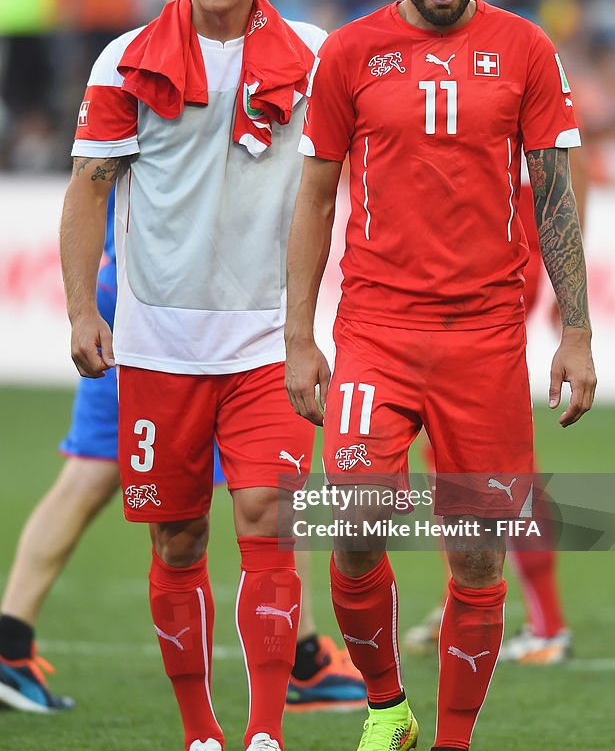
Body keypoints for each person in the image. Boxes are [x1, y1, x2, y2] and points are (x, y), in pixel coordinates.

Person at [285, 0, 596, 751]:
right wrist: (298, 335)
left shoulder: (527, 49)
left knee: (476, 556)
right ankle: (386, 709)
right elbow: (314, 198)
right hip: (375, 330)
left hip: (487, 340)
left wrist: (575, 331)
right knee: (354, 526)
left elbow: (554, 197)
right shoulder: (346, 54)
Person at [59, 0, 329, 751]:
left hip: (266, 346)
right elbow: (88, 192)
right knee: (178, 540)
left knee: (266, 526)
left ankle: (263, 737)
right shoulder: (126, 59)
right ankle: (200, 741)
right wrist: (80, 312)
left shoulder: (317, 61)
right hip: (158, 346)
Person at [0, 193, 364, 716]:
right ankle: (302, 661)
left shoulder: (131, 119)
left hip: (142, 294)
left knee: (99, 476)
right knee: (266, 484)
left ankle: (10, 643)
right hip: (175, 313)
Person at [405, 147, 589, 664]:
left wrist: (566, 281)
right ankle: (465, 596)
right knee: (451, 451)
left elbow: (575, 169)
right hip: (476, 246)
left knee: (490, 460)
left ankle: (544, 622)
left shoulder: (528, 66)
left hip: (495, 255)